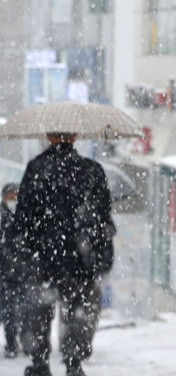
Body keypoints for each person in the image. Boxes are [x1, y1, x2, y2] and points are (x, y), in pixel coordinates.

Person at [13, 132, 116, 376]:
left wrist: (29, 250)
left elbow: (23, 219)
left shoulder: (36, 168)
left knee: (40, 313)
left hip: (43, 259)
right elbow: (103, 221)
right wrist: (99, 256)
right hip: (80, 259)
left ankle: (40, 363)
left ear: (49, 137)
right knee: (76, 312)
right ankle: (73, 363)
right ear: (76, 137)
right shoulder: (91, 170)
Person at [0, 183, 31, 358]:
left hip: (25, 273)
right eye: (10, 197)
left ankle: (26, 341)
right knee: (9, 311)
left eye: (16, 197)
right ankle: (11, 344)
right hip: (6, 274)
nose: (13, 201)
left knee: (27, 310)